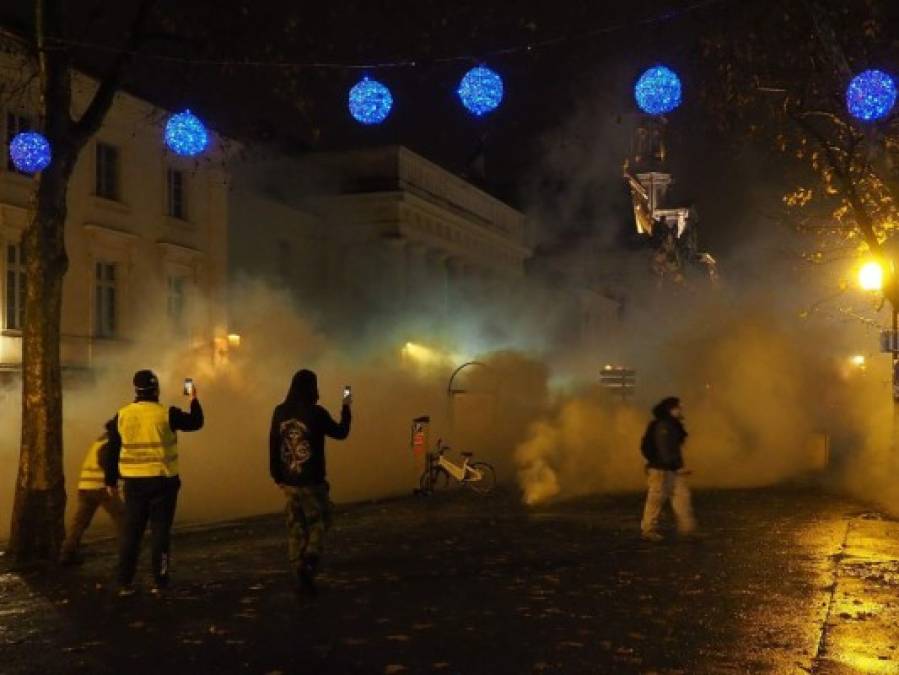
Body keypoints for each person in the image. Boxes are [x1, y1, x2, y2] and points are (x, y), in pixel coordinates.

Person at [103, 370, 204, 595]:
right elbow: (197, 422)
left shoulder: (122, 415)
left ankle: (124, 583)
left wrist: (110, 480)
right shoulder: (167, 413)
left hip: (134, 484)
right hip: (164, 482)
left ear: (135, 390)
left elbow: (112, 450)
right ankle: (160, 581)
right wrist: (193, 397)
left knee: (131, 533)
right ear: (156, 389)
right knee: (160, 532)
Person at [269, 369, 351, 596]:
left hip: (289, 481)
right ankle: (310, 558)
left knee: (295, 528)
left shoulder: (279, 412)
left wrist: (277, 476)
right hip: (313, 481)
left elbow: (273, 445)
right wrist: (346, 407)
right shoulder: (317, 413)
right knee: (319, 521)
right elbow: (341, 433)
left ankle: (299, 573)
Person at [59, 431, 125, 565]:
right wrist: (121, 476)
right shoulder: (112, 442)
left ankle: (67, 553)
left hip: (85, 487)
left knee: (79, 523)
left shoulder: (100, 440)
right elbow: (105, 462)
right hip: (102, 488)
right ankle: (128, 553)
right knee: (123, 518)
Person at [640, 396, 698, 541]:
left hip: (671, 469)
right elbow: (665, 449)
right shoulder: (664, 426)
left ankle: (687, 529)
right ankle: (648, 530)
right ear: (671, 409)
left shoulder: (671, 424)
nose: (680, 410)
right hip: (661, 470)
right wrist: (676, 467)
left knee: (682, 497)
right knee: (656, 499)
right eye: (678, 407)